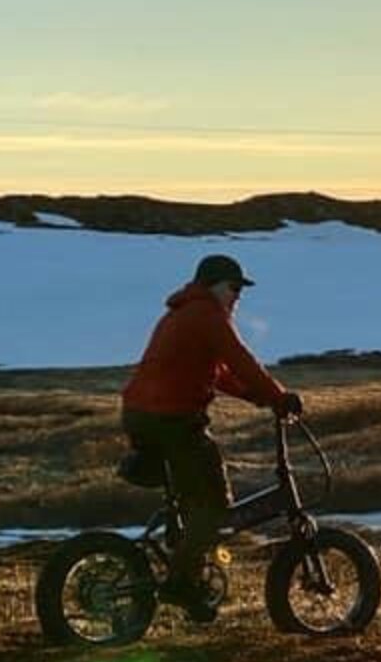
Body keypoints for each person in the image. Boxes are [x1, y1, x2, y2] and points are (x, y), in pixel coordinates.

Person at [120, 253, 302, 621]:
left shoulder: (184, 312)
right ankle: (181, 583)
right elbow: (240, 359)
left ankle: (187, 568)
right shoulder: (207, 314)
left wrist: (259, 397)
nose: (238, 296)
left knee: (195, 502)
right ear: (214, 285)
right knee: (215, 506)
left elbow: (218, 373)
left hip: (144, 415)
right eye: (234, 288)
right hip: (172, 420)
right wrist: (280, 397)